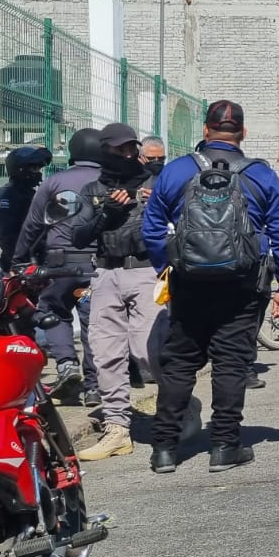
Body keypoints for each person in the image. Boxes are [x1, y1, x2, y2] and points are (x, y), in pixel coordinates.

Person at [142, 100, 279, 473]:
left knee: (180, 362)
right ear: (242, 133)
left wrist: (170, 268)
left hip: (189, 282)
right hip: (243, 285)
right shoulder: (261, 175)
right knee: (231, 363)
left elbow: (151, 230)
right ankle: (225, 446)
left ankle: (164, 449)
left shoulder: (177, 170)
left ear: (206, 130)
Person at [73, 123, 154, 461]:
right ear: (104, 152)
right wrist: (108, 213)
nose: (128, 154)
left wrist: (156, 206)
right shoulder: (92, 190)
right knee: (106, 353)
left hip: (147, 270)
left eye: (131, 148)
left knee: (148, 348)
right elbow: (79, 236)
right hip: (105, 272)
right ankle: (117, 429)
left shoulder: (154, 183)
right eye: (120, 149)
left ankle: (180, 408)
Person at [13, 127, 105, 399]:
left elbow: (32, 225)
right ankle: (94, 388)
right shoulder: (110, 182)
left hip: (60, 265)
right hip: (96, 267)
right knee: (93, 323)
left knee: (54, 309)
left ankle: (66, 364)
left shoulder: (54, 182)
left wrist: (18, 259)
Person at [0, 145, 52, 272]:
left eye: (39, 168)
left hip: (38, 262)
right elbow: (5, 236)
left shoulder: (30, 194)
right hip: (19, 267)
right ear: (20, 169)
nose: (39, 172)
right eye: (34, 167)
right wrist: (21, 263)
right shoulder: (7, 195)